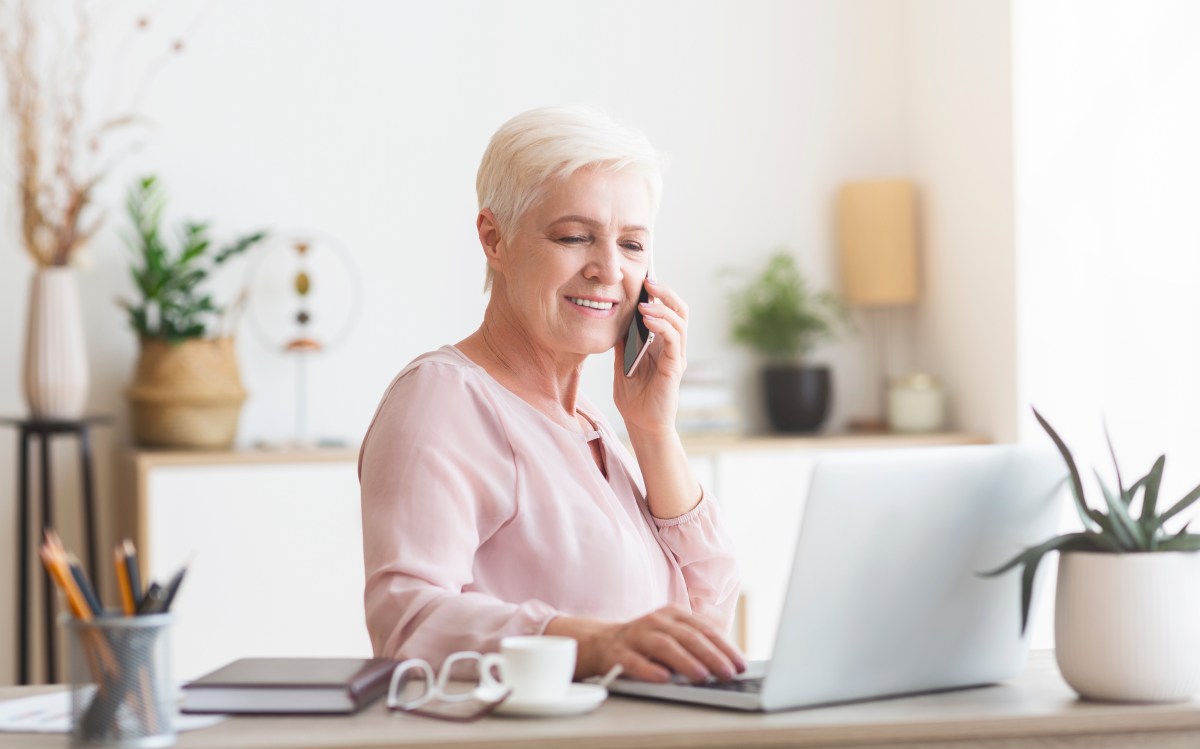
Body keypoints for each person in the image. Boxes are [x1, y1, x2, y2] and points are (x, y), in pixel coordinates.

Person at [359, 106, 744, 683]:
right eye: (574, 236)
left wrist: (652, 431)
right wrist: (595, 644)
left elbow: (708, 621)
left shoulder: (591, 422)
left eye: (633, 245)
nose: (609, 269)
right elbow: (407, 623)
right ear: (495, 239)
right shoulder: (442, 400)